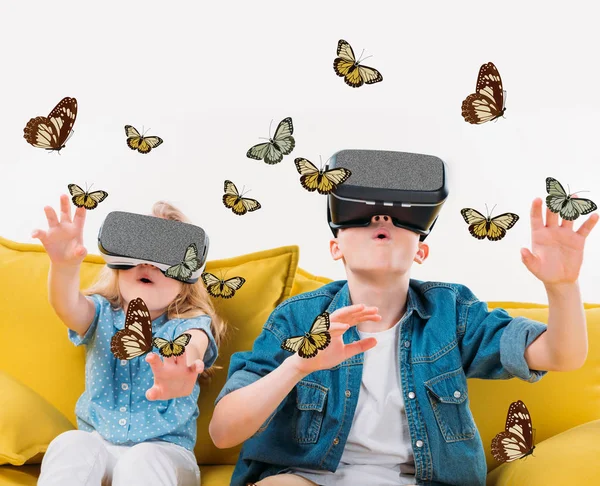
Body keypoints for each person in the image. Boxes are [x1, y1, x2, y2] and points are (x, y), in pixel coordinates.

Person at [208, 198, 598, 486]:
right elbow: (223, 432)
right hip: (306, 479)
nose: (381, 217)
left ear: (421, 251)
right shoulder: (296, 317)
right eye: (361, 215)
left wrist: (562, 287)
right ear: (335, 247)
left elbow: (560, 356)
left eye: (401, 216)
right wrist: (300, 364)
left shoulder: (451, 310)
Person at [33, 195, 226, 486]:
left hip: (165, 454)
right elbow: (67, 306)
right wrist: (63, 266)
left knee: (142, 460)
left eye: (165, 255)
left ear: (185, 279)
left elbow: (193, 344)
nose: (148, 262)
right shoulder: (101, 314)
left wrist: (183, 366)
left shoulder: (186, 324)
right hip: (99, 445)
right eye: (137, 250)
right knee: (71, 444)